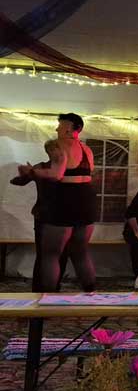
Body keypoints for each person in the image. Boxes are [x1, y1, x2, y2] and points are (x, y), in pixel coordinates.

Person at [17, 113, 97, 292]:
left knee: (51, 255)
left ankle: (47, 298)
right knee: (81, 253)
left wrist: (31, 171)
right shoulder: (87, 150)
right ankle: (92, 296)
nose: (56, 129)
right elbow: (85, 173)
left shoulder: (57, 145)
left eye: (60, 125)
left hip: (64, 202)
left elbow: (57, 174)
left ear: (69, 128)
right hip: (86, 202)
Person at [10, 140, 69, 291]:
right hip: (43, 216)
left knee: (62, 254)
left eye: (56, 149)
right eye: (51, 150)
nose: (55, 152)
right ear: (48, 152)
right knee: (43, 254)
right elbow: (19, 181)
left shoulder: (66, 168)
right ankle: (38, 290)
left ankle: (54, 288)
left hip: (64, 217)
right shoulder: (40, 167)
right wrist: (21, 174)